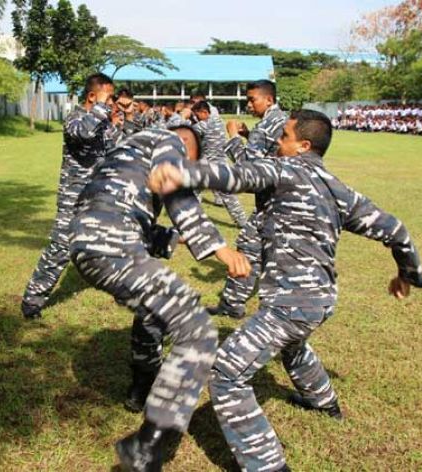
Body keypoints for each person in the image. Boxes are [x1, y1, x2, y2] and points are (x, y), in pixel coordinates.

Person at [148, 109, 422, 472]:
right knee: (293, 347)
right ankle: (324, 402)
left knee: (227, 373)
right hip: (321, 300)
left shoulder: (284, 169)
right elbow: (396, 229)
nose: (278, 143)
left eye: (284, 137)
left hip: (290, 304)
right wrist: (407, 273)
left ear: (303, 146)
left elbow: (238, 174)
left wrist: (181, 172)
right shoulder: (338, 187)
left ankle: (267, 466)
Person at [68, 125, 251, 471]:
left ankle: (142, 388)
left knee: (158, 311)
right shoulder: (169, 140)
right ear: (186, 145)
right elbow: (177, 195)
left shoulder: (124, 154)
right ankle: (146, 445)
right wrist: (221, 250)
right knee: (199, 331)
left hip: (87, 244)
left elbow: (125, 210)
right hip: (115, 245)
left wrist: (176, 238)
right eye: (189, 163)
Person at [20, 73, 116, 319]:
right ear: (92, 96)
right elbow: (82, 134)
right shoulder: (75, 117)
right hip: (73, 197)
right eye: (108, 97)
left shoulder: (104, 120)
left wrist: (117, 124)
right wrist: (102, 109)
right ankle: (32, 301)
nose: (111, 102)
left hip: (99, 196)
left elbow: (113, 151)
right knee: (60, 248)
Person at [208, 79, 288, 319]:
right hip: (285, 199)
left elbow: (248, 170)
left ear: (269, 99)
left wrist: (232, 137)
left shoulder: (265, 127)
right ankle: (235, 303)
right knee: (267, 252)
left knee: (250, 248)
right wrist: (248, 134)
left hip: (271, 203)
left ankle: (234, 304)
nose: (249, 105)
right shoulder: (281, 121)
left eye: (252, 100)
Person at [191, 100, 248, 228]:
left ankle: (192, 218)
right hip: (220, 162)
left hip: (209, 165)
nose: (196, 118)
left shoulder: (203, 125)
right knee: (226, 195)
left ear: (204, 112)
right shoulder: (218, 121)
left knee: (196, 191)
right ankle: (242, 221)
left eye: (197, 115)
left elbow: (187, 133)